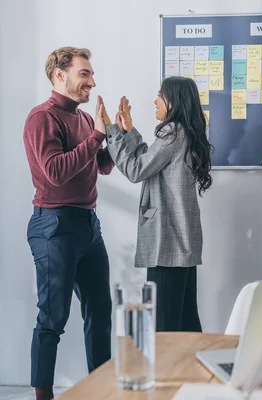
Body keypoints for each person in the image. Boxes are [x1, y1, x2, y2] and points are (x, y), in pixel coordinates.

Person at [23, 47, 114, 400]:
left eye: (91, 74)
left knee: (100, 313)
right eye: (85, 74)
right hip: (54, 226)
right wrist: (97, 137)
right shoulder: (41, 118)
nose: (92, 81)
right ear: (60, 76)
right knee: (52, 319)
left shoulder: (84, 119)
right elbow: (56, 173)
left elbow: (101, 166)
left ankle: (103, 388)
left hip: (88, 226)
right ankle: (43, 395)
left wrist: (115, 134)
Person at [103, 76, 212, 332]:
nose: (155, 100)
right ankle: (191, 373)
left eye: (160, 95)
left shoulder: (172, 131)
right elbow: (150, 160)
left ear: (173, 100)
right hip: (181, 243)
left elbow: (136, 169)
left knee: (162, 329)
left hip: (167, 241)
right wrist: (128, 130)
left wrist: (111, 132)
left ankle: (165, 374)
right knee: (185, 323)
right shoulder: (184, 132)